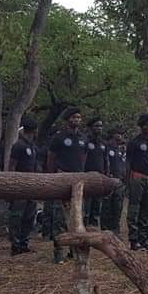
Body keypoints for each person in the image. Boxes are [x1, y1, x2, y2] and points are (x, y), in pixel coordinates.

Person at [47, 107, 87, 263]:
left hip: (78, 181)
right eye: (74, 117)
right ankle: (58, 252)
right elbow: (50, 158)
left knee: (77, 216)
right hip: (62, 177)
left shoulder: (83, 138)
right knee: (59, 218)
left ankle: (74, 250)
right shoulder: (59, 137)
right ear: (67, 119)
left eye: (79, 117)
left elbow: (83, 157)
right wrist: (53, 177)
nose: (76, 120)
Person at [7, 117, 40, 256]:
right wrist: (12, 184)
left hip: (32, 186)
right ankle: (15, 245)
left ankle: (24, 243)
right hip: (20, 186)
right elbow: (12, 166)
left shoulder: (33, 146)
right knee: (16, 216)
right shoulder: (18, 145)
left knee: (29, 216)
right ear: (33, 130)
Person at [126, 114, 148, 251]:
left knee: (147, 209)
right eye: (147, 125)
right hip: (137, 178)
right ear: (141, 126)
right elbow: (128, 163)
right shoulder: (134, 143)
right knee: (134, 208)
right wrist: (128, 181)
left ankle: (144, 238)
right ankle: (133, 240)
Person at [101, 128, 127, 233]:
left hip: (120, 181)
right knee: (107, 206)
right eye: (118, 134)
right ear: (112, 134)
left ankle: (115, 229)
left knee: (118, 206)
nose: (120, 136)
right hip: (108, 180)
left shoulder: (121, 149)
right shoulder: (106, 147)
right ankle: (105, 229)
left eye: (122, 134)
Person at [83, 117, 107, 228]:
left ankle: (94, 229)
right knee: (86, 206)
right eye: (97, 126)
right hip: (87, 177)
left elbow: (105, 161)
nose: (99, 128)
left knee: (97, 206)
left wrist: (106, 174)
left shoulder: (103, 143)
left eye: (101, 126)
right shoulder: (85, 141)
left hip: (100, 178)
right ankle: (84, 228)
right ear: (90, 127)